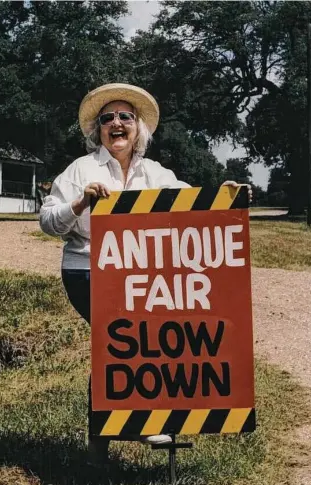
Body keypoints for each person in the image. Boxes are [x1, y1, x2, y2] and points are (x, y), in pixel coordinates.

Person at [40, 83, 251, 465]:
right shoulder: (81, 170)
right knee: (119, 345)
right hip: (88, 275)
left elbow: (190, 204)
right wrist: (80, 201)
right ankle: (113, 436)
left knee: (142, 347)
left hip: (140, 280)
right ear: (98, 130)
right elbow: (48, 221)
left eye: (126, 117)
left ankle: (109, 441)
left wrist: (225, 194)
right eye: (108, 118)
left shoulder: (154, 172)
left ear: (139, 128)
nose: (117, 124)